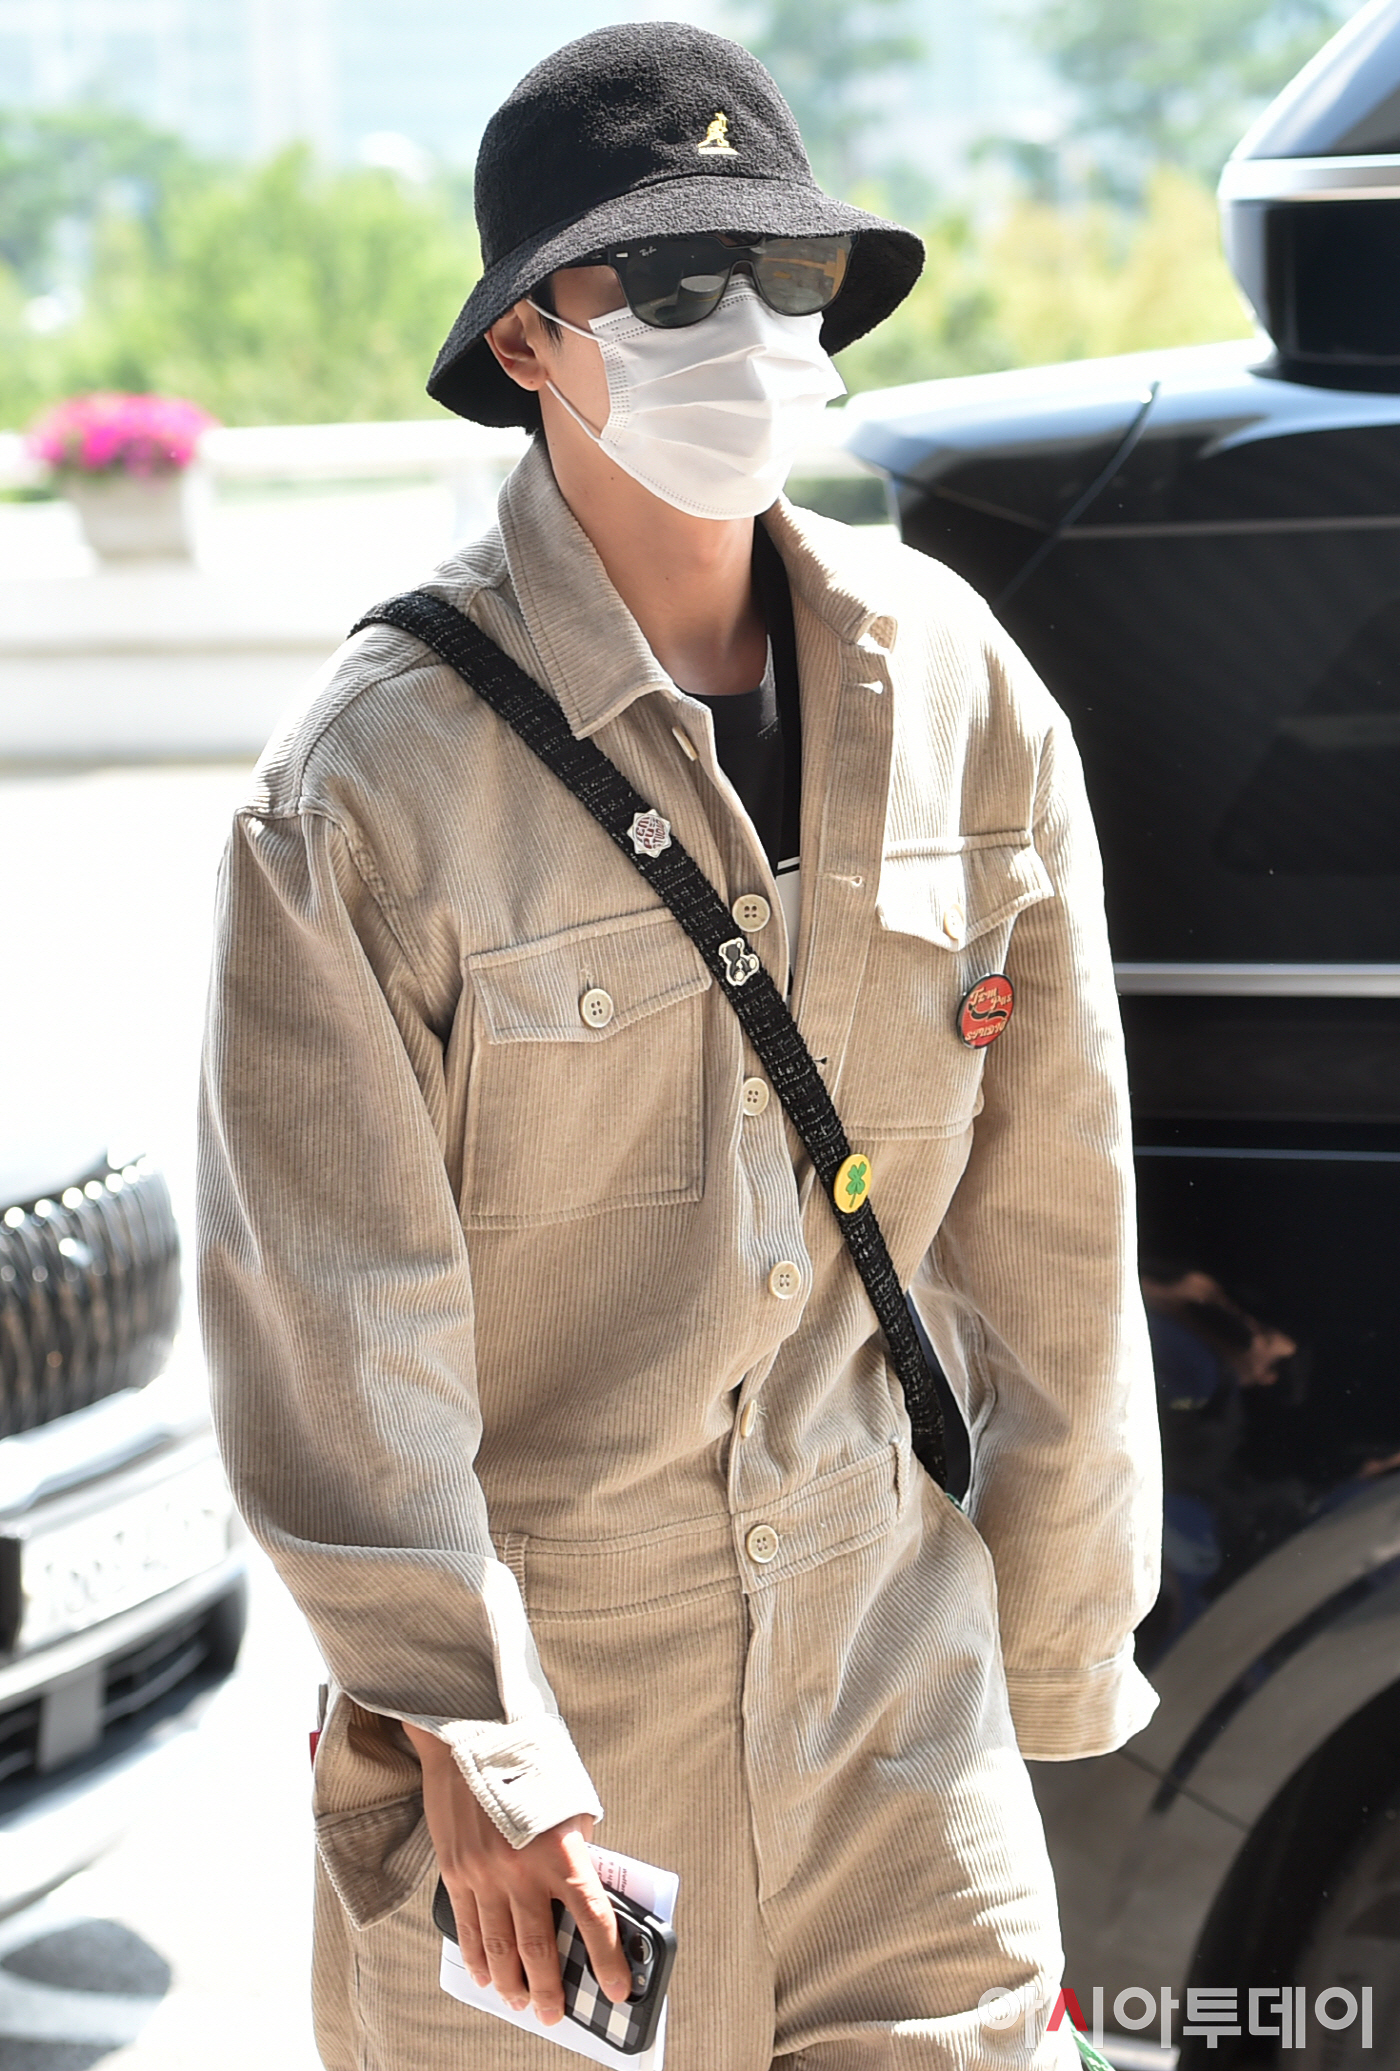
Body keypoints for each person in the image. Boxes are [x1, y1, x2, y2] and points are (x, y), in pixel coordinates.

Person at [197, 22, 1162, 2071]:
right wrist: (470, 1730)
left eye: (787, 275)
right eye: (672, 281)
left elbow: (1056, 1211)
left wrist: (1058, 1650)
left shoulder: (962, 690)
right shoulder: (368, 790)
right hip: (553, 1760)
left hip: (898, 1704)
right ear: (529, 338)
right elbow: (331, 1320)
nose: (750, 331)